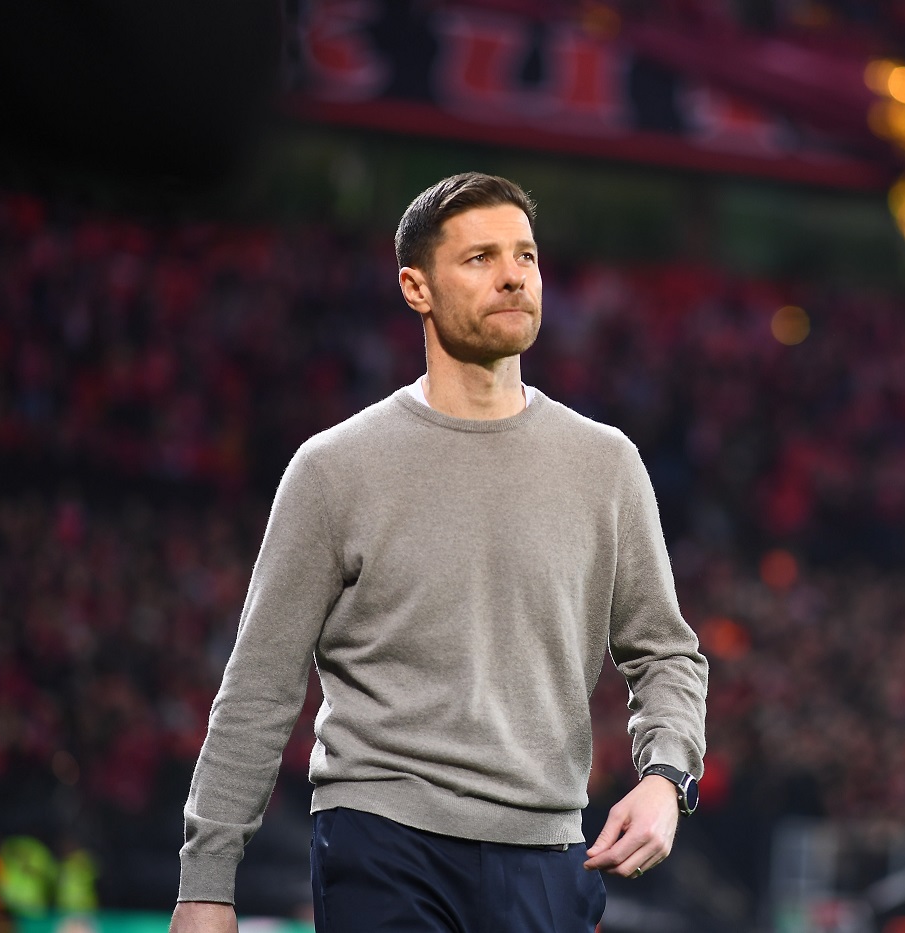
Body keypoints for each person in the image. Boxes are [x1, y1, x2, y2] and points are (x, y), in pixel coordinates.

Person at [169, 172, 709, 932]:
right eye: (480, 258)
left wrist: (666, 777)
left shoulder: (605, 464)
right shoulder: (334, 469)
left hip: (547, 848)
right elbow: (260, 686)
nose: (513, 275)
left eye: (525, 255)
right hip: (381, 838)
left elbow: (666, 653)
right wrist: (206, 882)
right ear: (415, 287)